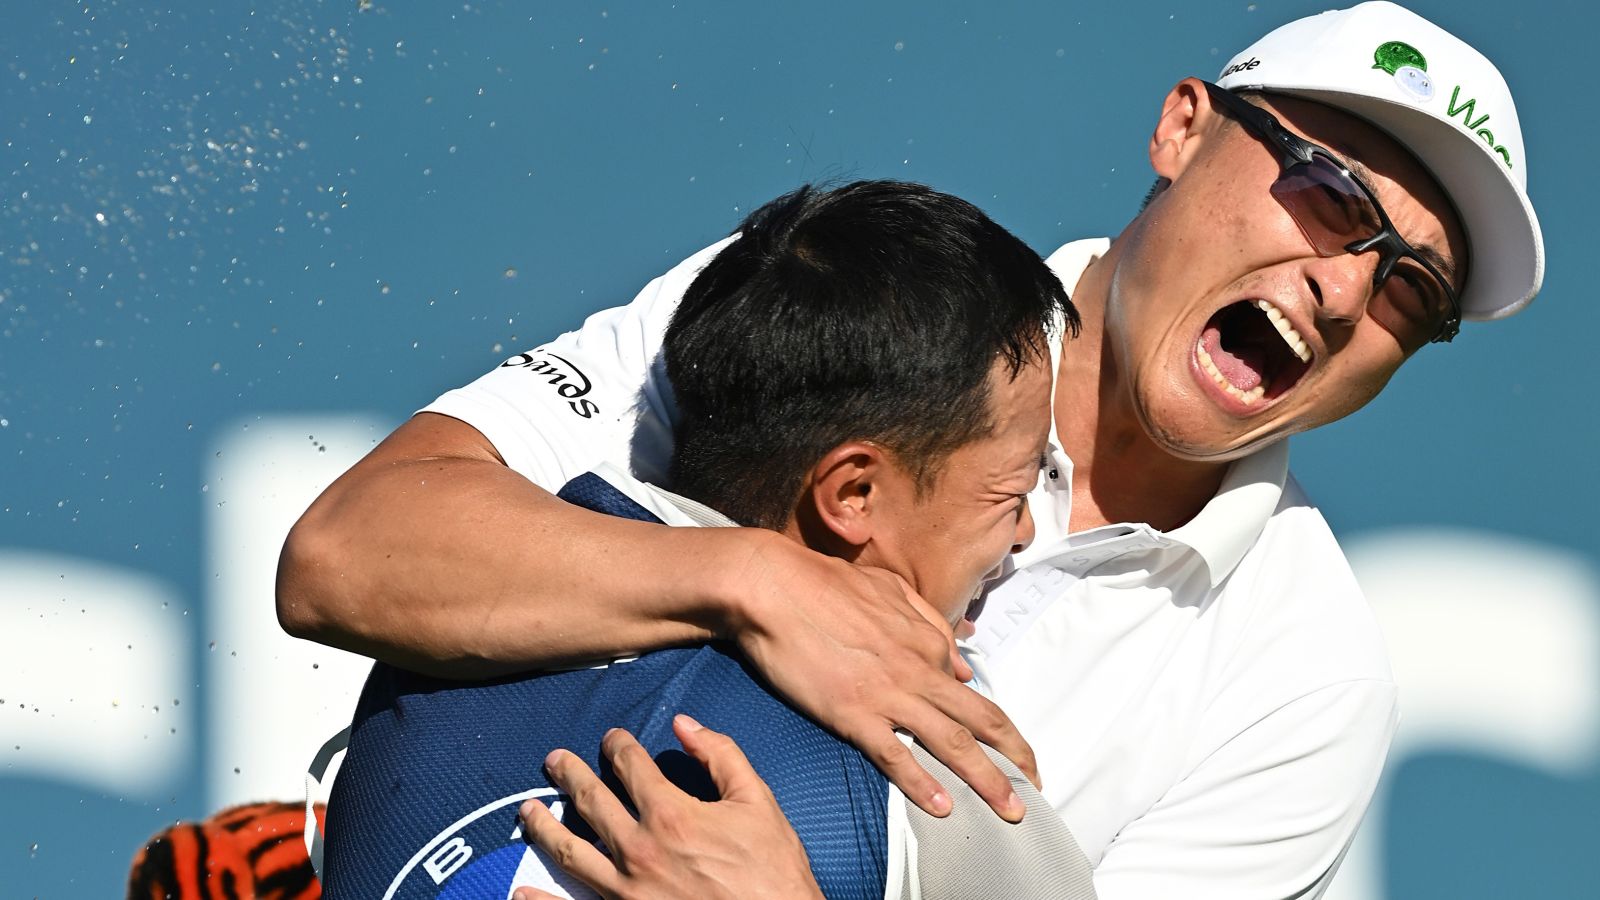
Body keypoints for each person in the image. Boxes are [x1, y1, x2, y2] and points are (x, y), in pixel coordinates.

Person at [277, 2, 1543, 896]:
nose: (1338, 288)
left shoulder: (1303, 677)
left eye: (1409, 292)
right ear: (1181, 129)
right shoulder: (865, 292)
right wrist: (759, 584)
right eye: (1328, 193)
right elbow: (343, 558)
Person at [316, 180, 1094, 900]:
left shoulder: (424, 659)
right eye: (1011, 492)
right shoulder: (940, 782)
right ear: (852, 494)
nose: (1025, 532)